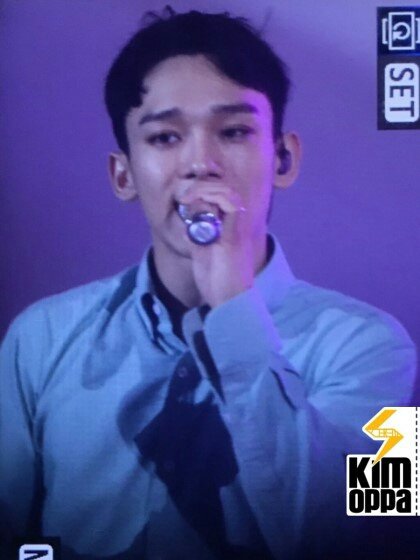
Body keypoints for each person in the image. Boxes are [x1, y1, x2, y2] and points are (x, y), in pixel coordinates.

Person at [0, 8, 416, 560]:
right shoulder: (38, 339)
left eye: (235, 131)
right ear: (124, 175)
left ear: (284, 159)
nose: (201, 163)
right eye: (165, 137)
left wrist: (235, 307)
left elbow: (374, 538)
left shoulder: (382, 349)